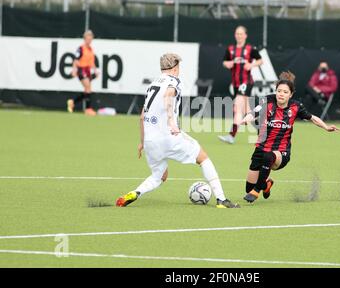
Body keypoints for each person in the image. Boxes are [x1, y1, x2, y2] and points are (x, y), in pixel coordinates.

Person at [116, 53, 240, 208]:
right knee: (204, 159)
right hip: (169, 136)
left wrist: (142, 142)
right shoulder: (174, 81)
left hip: (150, 141)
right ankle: (221, 199)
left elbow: (142, 117)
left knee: (159, 176)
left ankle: (136, 192)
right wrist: (171, 122)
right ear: (174, 68)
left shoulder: (152, 84)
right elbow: (168, 96)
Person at [239, 72, 340, 203]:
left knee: (269, 157)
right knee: (248, 188)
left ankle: (257, 190)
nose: (281, 94)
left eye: (285, 92)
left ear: (291, 94)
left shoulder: (296, 106)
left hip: (281, 153)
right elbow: (254, 112)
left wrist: (326, 127)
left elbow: (312, 118)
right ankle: (266, 184)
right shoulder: (267, 100)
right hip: (261, 149)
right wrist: (246, 119)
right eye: (279, 91)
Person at [218, 25, 263, 144]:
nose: (239, 36)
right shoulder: (231, 49)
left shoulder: (250, 49)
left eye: (241, 33)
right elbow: (224, 62)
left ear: (245, 35)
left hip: (246, 82)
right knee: (248, 112)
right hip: (236, 84)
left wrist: (251, 65)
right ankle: (263, 132)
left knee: (237, 108)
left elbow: (260, 60)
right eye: (237, 33)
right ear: (235, 35)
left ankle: (231, 136)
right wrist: (229, 63)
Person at [67, 30, 99, 116]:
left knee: (87, 90)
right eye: (88, 38)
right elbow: (76, 60)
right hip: (81, 69)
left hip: (87, 70)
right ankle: (88, 109)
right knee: (88, 87)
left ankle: (72, 102)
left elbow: (92, 62)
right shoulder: (81, 48)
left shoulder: (91, 49)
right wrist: (74, 70)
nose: (89, 40)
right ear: (85, 39)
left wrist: (95, 71)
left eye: (90, 38)